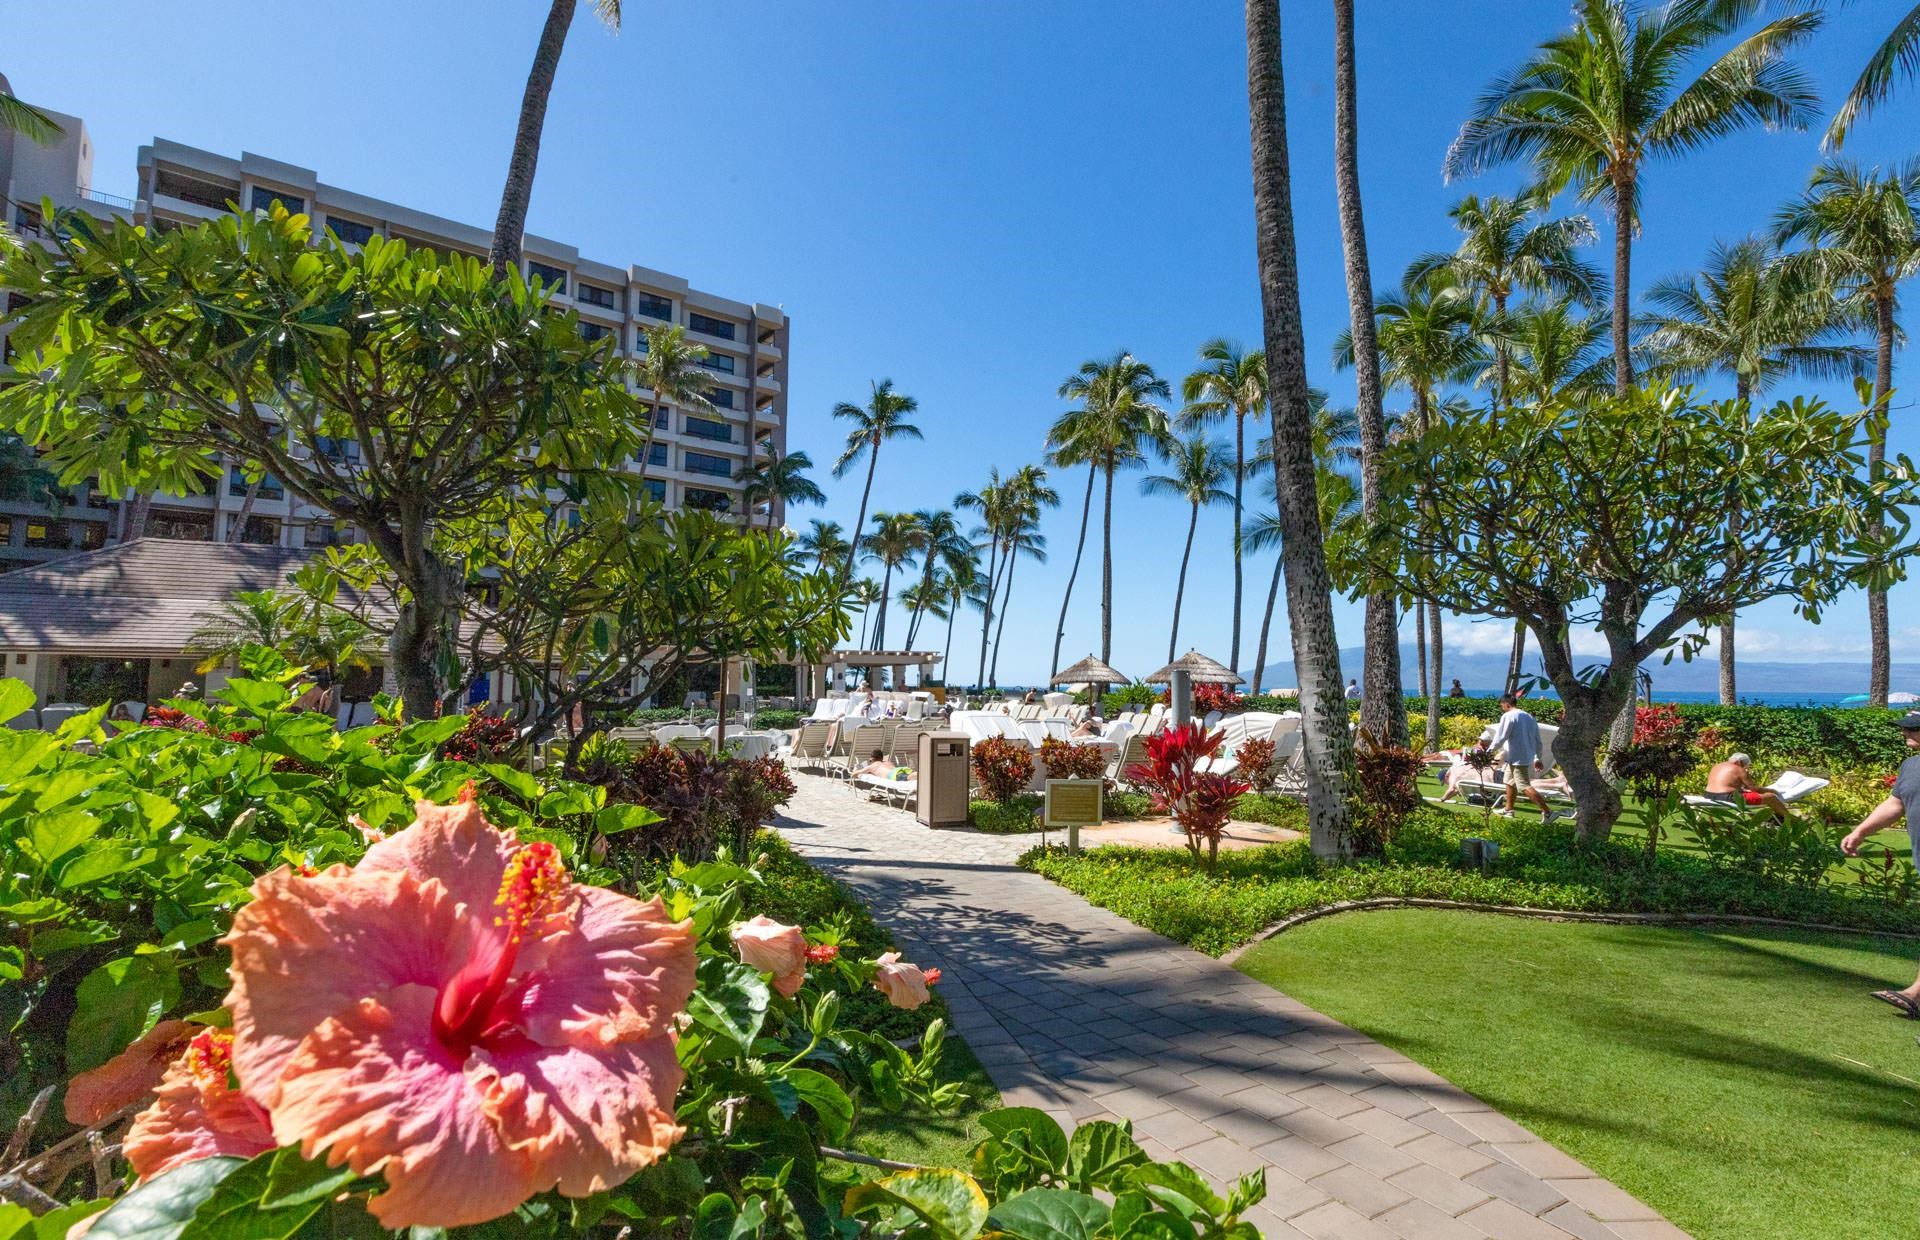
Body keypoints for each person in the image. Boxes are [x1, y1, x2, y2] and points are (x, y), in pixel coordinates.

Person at [1843, 712, 1920, 1017]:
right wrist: (1860, 831)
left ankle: (1915, 994)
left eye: (1913, 728)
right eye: (1904, 728)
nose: (1906, 733)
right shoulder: (1911, 766)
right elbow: (1895, 804)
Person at [1487, 693, 1552, 818]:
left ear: (1506, 704)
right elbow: (1537, 740)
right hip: (1522, 757)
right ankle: (1508, 809)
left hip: (1518, 757)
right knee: (1509, 781)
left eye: (1502, 705)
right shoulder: (1529, 717)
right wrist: (1538, 757)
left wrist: (1489, 751)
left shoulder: (1509, 716)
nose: (1502, 708)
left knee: (1523, 785)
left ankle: (1548, 812)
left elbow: (1501, 736)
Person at [1703, 752, 1788, 821]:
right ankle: (1790, 819)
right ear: (1740, 762)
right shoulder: (1738, 769)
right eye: (1745, 765)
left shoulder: (1717, 766)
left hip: (1708, 795)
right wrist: (1771, 790)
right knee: (1771, 797)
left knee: (1747, 795)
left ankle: (1771, 818)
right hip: (1728, 797)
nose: (1745, 768)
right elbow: (1754, 789)